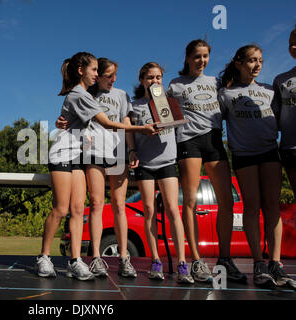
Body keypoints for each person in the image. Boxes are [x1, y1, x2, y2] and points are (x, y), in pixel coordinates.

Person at [37, 52, 152, 280]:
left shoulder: (86, 95)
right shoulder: (80, 94)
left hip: (79, 156)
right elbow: (107, 123)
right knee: (61, 209)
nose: (97, 75)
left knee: (79, 210)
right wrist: (142, 129)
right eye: (95, 71)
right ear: (81, 70)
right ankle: (44, 256)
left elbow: (72, 120)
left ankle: (75, 260)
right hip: (62, 155)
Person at [167, 39, 246, 283]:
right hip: (188, 141)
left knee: (227, 201)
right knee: (190, 200)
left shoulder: (216, 83)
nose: (201, 61)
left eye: (205, 56)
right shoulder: (176, 85)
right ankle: (197, 261)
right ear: (188, 58)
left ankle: (224, 258)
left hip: (213, 140)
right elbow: (165, 115)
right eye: (197, 56)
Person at [219, 44, 296, 289]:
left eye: (260, 60)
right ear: (239, 63)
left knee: (272, 206)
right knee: (252, 206)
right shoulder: (227, 93)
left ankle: (275, 263)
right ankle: (259, 262)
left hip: (270, 151)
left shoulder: (269, 90)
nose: (257, 64)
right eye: (252, 60)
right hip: (244, 154)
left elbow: (281, 119)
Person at [127, 62, 193, 284]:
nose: (154, 81)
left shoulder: (168, 103)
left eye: (158, 78)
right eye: (150, 78)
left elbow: (177, 124)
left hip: (167, 161)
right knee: (148, 210)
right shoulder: (134, 105)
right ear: (142, 80)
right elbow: (129, 131)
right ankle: (155, 261)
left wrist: (166, 121)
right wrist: (133, 149)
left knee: (174, 210)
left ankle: (182, 263)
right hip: (145, 163)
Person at [84, 58, 138, 278]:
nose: (113, 79)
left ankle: (124, 258)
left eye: (115, 74)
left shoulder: (122, 95)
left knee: (119, 205)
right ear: (98, 76)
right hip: (95, 154)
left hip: (118, 155)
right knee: (97, 203)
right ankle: (96, 257)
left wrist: (132, 150)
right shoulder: (88, 94)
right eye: (109, 75)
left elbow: (127, 124)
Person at [272, 27, 296, 200]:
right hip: (290, 148)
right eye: (291, 44)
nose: (294, 47)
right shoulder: (281, 80)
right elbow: (277, 117)